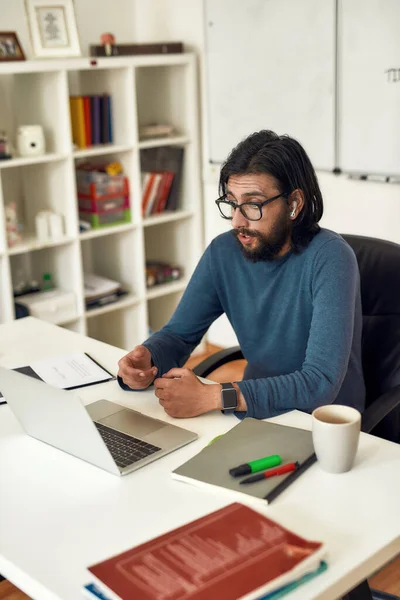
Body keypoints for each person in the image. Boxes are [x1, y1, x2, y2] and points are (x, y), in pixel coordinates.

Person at [118, 130, 365, 420]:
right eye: (233, 203)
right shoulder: (224, 252)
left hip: (326, 422)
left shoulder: (331, 258)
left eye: (253, 204)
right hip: (252, 410)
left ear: (294, 204)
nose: (238, 220)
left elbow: (320, 382)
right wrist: (147, 361)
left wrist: (214, 396)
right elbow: (179, 335)